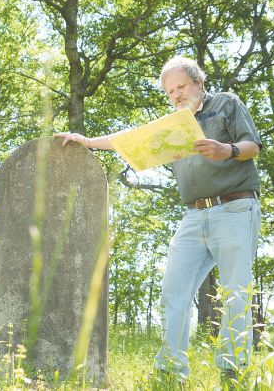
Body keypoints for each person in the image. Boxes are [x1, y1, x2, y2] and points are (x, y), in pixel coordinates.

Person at [56, 56, 261, 382]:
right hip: (194, 215)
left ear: (198, 83)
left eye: (181, 86)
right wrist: (88, 142)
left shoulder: (226, 104)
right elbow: (128, 140)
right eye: (170, 91)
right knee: (173, 291)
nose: (176, 94)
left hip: (234, 208)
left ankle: (233, 371)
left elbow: (253, 146)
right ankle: (171, 372)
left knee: (235, 292)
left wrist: (228, 150)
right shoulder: (172, 125)